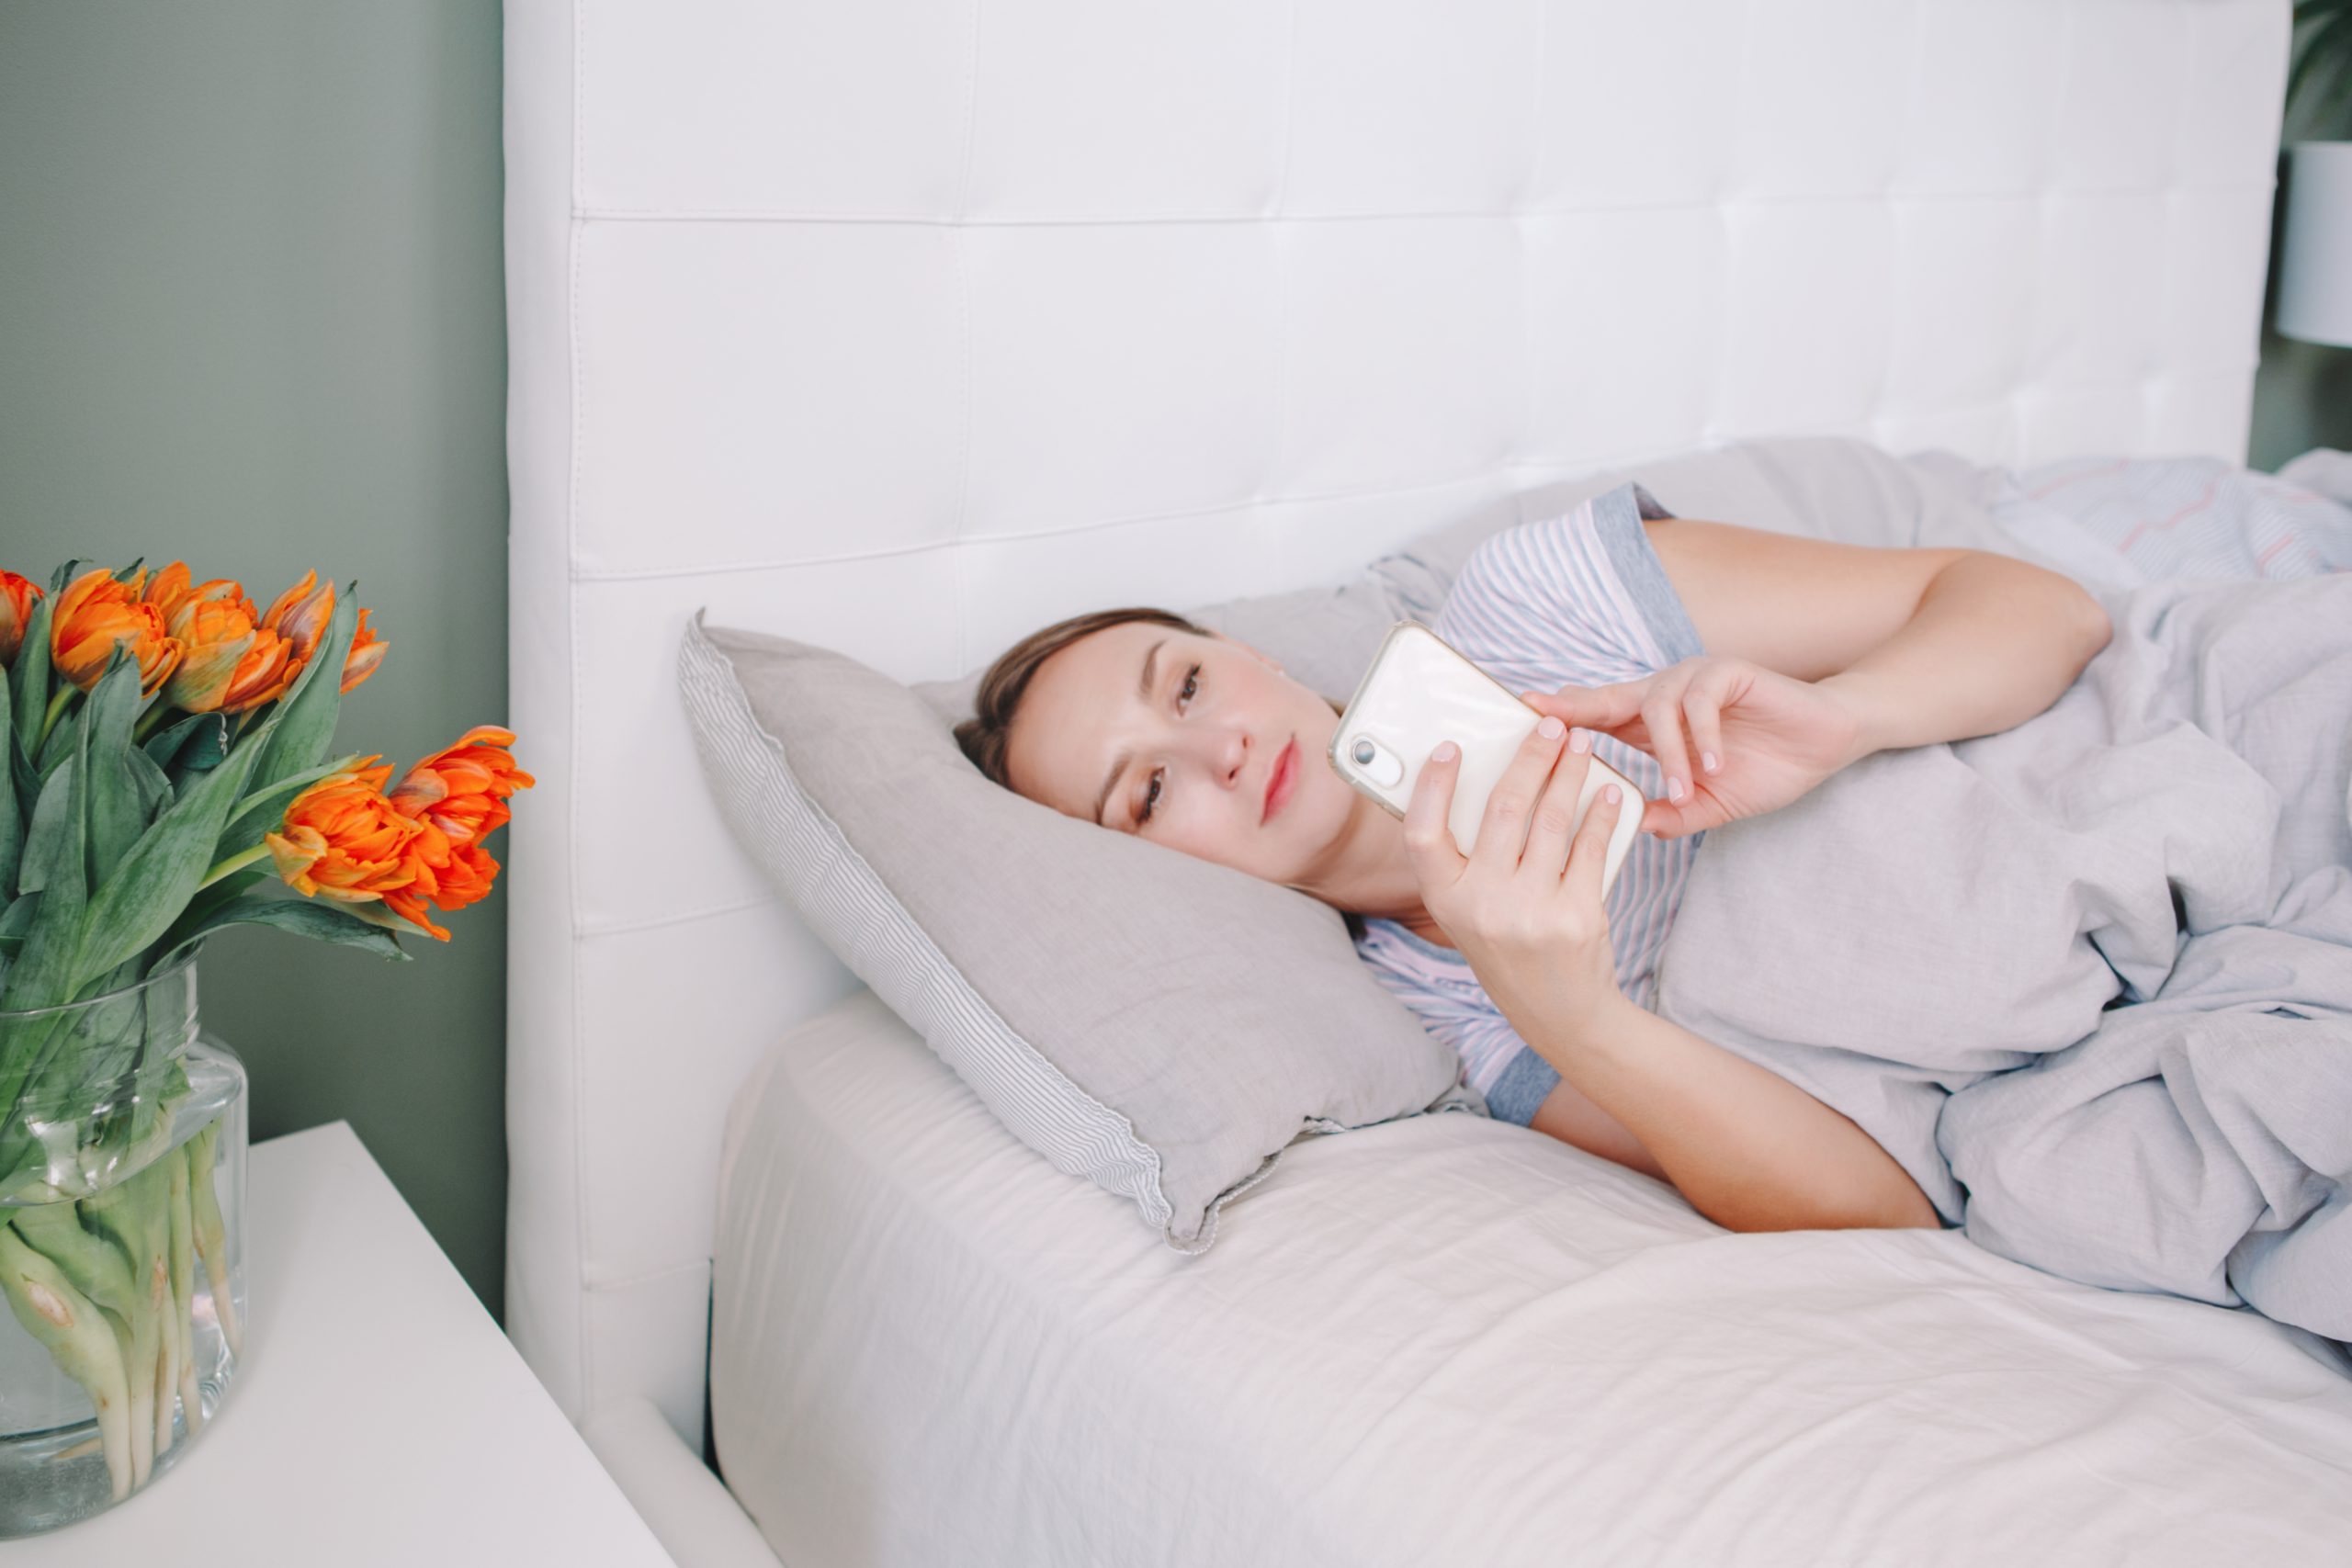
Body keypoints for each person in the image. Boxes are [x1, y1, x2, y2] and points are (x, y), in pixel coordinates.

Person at [951, 482, 2114, 1237]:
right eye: (1148, 792)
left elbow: (2044, 610)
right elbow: (1882, 1209)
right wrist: (1580, 1019)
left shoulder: (1540, 605)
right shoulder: (1441, 1014)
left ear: (1244, 655)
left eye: (1189, 684)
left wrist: (1849, 718)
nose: (1219, 747)